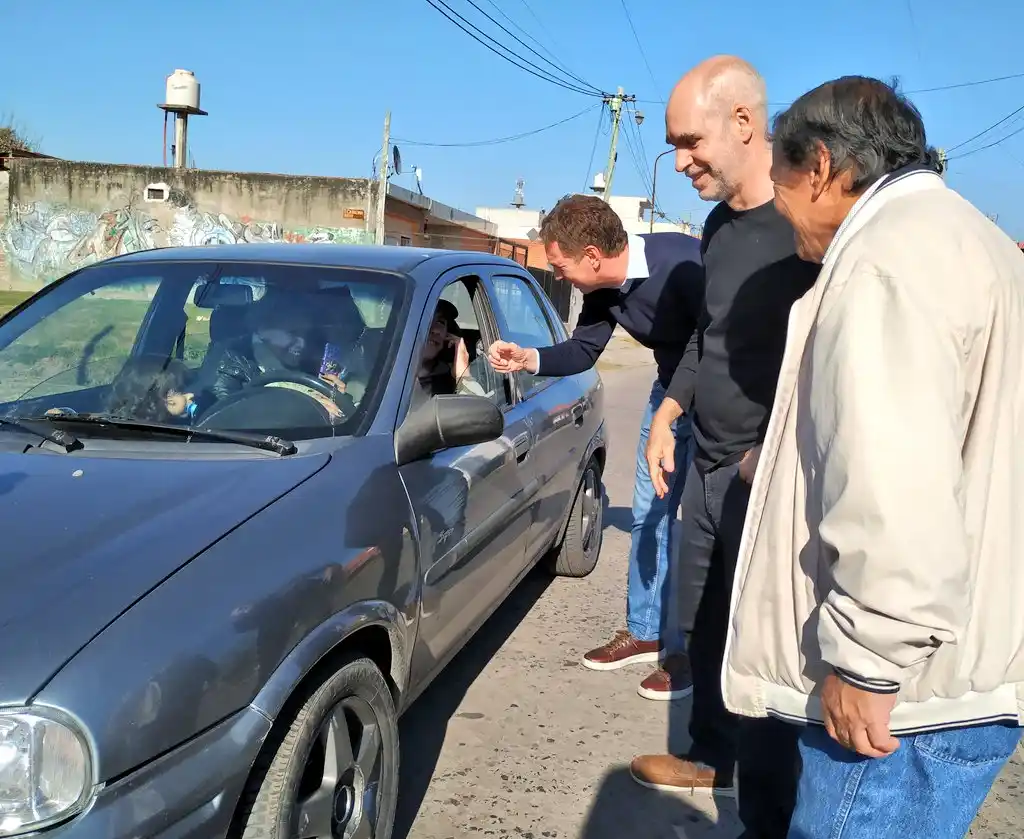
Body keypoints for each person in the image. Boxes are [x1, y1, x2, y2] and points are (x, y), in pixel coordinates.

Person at [721, 75, 1024, 839]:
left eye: (783, 182)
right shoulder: (972, 238)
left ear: (819, 166)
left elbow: (896, 483)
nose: (785, 217)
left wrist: (866, 661)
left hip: (902, 701)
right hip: (959, 669)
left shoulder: (883, 261)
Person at [628, 56, 818, 838]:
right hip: (707, 463)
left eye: (688, 140)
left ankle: (773, 809)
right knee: (702, 620)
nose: (679, 162)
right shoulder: (717, 227)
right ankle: (713, 756)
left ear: (743, 123)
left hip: (768, 473)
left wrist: (768, 454)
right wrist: (671, 409)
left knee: (769, 644)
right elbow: (710, 334)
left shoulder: (809, 220)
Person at [487, 193, 704, 700]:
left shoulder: (684, 265)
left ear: (591, 255)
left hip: (722, 404)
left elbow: (710, 342)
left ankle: (692, 653)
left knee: (704, 527)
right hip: (668, 396)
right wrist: (528, 358)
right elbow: (584, 349)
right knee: (651, 513)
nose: (557, 275)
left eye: (559, 265)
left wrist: (675, 410)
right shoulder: (606, 290)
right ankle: (646, 631)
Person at [409, 299, 486, 410]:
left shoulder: (450, 381)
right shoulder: (383, 376)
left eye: (440, 322)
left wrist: (463, 375)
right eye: (425, 319)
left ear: (447, 335)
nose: (435, 329)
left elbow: (477, 417)